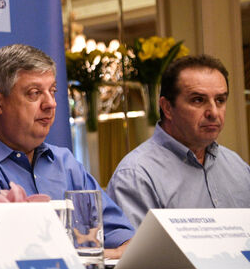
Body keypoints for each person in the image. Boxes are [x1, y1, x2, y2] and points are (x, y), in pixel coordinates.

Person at [0, 44, 134, 257]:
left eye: (53, 91)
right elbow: (18, 256)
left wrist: (103, 253)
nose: (51, 104)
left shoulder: (65, 163)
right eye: (34, 93)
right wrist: (99, 254)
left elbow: (126, 238)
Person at [106, 55, 250, 227]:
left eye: (220, 100)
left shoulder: (238, 167)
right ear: (167, 108)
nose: (213, 112)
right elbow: (137, 253)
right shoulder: (136, 175)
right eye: (198, 100)